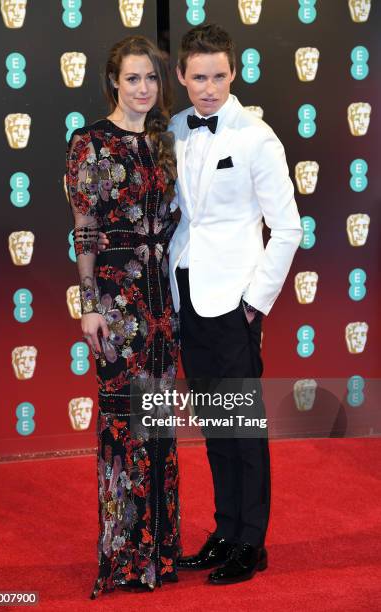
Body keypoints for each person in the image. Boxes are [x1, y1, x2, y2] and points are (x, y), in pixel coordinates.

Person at [168, 24, 302, 585]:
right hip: (186, 296)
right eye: (198, 77)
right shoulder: (173, 129)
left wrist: (255, 303)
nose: (209, 88)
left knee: (243, 426)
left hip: (234, 303)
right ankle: (224, 532)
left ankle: (251, 541)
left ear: (233, 73)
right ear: (181, 76)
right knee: (215, 424)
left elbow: (289, 227)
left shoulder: (257, 137)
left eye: (218, 76)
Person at [66, 35, 180, 597]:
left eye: (152, 79)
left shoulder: (164, 139)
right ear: (114, 81)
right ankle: (124, 557)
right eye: (133, 78)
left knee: (157, 427)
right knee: (121, 427)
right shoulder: (88, 142)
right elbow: (85, 231)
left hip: (163, 307)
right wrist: (88, 307)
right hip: (117, 305)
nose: (143, 89)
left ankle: (160, 551)